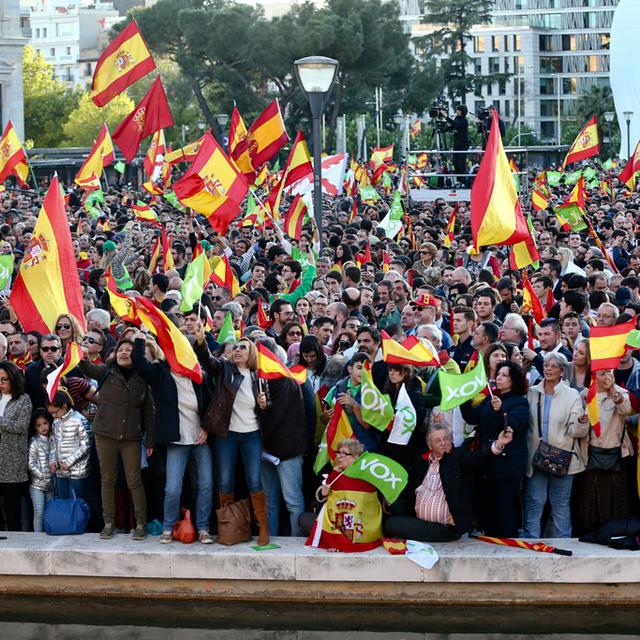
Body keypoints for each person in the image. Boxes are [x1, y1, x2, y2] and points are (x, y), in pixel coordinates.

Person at [131, 332, 214, 545]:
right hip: (177, 441)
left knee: (205, 484)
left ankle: (203, 528)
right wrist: (140, 338)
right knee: (172, 488)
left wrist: (206, 427)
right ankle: (168, 527)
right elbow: (139, 364)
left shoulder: (198, 374)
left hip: (200, 439)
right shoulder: (161, 372)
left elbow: (210, 403)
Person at [193, 326, 270, 546]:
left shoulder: (259, 375)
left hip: (252, 436)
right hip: (227, 435)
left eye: (242, 348)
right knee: (225, 481)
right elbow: (208, 361)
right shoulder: (225, 369)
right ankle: (227, 526)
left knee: (254, 480)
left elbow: (268, 405)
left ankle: (262, 527)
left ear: (251, 353)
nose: (237, 350)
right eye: (235, 347)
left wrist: (265, 404)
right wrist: (201, 341)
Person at [384, 422, 514, 542]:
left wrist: (498, 444)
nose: (443, 443)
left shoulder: (457, 458)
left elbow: (477, 458)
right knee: (393, 504)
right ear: (430, 445)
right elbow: (409, 487)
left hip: (445, 528)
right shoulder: (421, 460)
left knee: (391, 524)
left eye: (446, 438)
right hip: (419, 520)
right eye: (438, 440)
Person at [79, 338, 155, 541]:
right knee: (108, 480)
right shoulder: (105, 371)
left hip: (131, 437)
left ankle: (140, 524)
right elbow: (85, 365)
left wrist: (150, 441)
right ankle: (109, 523)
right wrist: (76, 348)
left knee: (134, 481)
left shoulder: (142, 377)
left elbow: (149, 411)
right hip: (105, 436)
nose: (124, 353)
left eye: (129, 350)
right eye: (120, 349)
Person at [461, 361, 529, 536]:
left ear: (514, 380)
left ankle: (508, 547)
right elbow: (472, 417)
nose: (499, 377)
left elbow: (509, 429)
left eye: (505, 375)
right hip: (487, 462)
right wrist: (462, 398)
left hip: (507, 466)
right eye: (498, 374)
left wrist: (499, 412)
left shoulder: (520, 403)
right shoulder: (491, 398)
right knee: (488, 510)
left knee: (505, 509)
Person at [524, 352, 589, 538]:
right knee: (534, 501)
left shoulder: (572, 396)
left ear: (562, 371)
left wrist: (582, 421)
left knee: (560, 503)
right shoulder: (532, 392)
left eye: (553, 366)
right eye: (545, 365)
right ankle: (530, 542)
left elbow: (577, 432)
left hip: (562, 457)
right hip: (536, 457)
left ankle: (564, 543)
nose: (548, 369)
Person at [577, 369, 633, 534]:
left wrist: (612, 389)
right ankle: (592, 533)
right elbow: (579, 426)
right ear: (594, 375)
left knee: (616, 499)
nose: (606, 377)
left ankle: (615, 533)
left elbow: (626, 410)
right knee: (591, 501)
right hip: (591, 453)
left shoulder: (621, 392)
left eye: (609, 373)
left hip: (615, 453)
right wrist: (581, 421)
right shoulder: (586, 394)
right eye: (601, 373)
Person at [306, 438, 383, 552]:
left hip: (362, 526)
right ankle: (338, 540)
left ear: (356, 457)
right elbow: (319, 505)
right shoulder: (335, 473)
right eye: (338, 452)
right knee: (303, 519)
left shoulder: (368, 477)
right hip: (335, 522)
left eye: (344, 453)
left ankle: (340, 541)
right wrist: (323, 493)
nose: (339, 456)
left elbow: (370, 510)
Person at [0, 361, 32, 531]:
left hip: (13, 464)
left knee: (12, 512)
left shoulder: (23, 400)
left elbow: (20, 427)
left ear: (13, 379)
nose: (1, 384)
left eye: (4, 379)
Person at [48, 388, 92, 501]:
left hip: (77, 472)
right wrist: (53, 460)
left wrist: (68, 462)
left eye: (55, 412)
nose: (53, 416)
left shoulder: (79, 420)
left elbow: (87, 445)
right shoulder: (56, 422)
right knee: (63, 504)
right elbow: (53, 442)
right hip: (60, 471)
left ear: (64, 406)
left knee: (76, 505)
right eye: (50, 413)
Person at [28, 408, 53, 532]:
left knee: (49, 512)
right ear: (34, 428)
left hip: (51, 484)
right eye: (39, 425)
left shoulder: (53, 439)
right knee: (39, 511)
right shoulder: (34, 442)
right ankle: (37, 538)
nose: (43, 427)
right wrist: (42, 476)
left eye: (45, 423)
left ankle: (48, 536)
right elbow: (30, 463)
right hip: (37, 485)